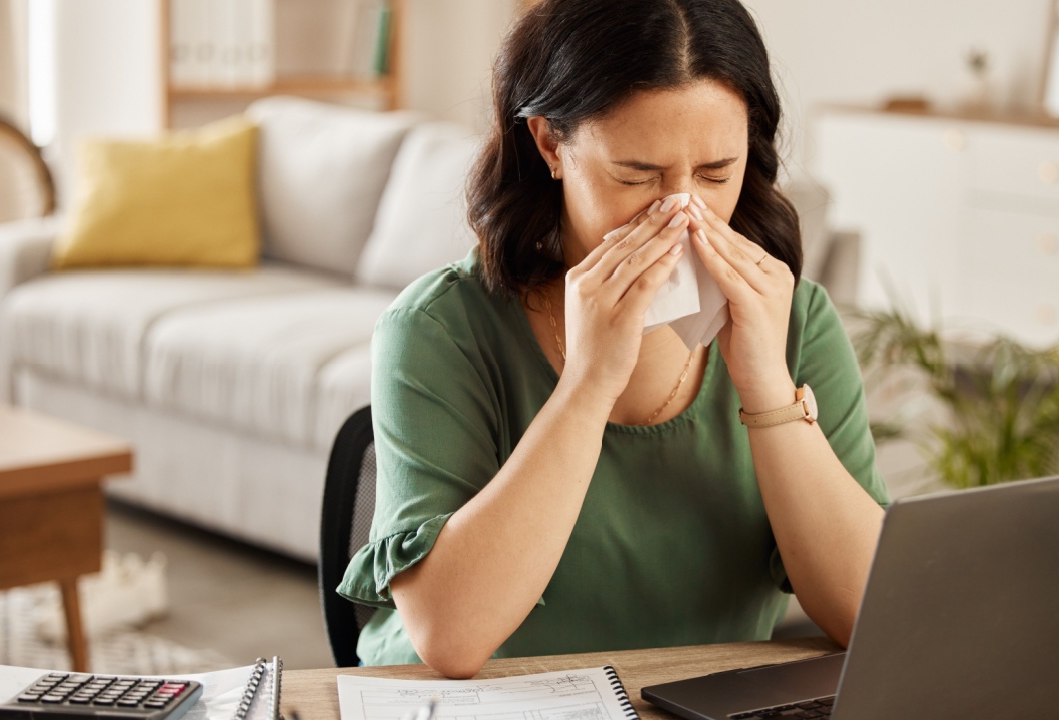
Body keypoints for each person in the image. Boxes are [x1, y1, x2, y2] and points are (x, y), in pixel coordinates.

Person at [337, 0, 889, 678]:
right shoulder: (437, 330)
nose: (682, 212)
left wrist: (769, 389)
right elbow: (450, 639)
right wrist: (589, 382)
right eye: (637, 175)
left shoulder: (797, 321)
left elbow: (870, 615)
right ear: (550, 144)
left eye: (716, 173)